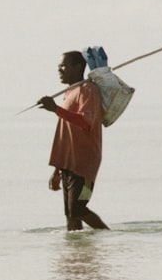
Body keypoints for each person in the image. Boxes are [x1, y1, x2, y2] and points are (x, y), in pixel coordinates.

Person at [38, 51, 110, 231]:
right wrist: (57, 170)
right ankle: (76, 256)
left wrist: (55, 108)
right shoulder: (69, 92)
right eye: (58, 67)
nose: (60, 70)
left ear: (78, 67)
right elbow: (66, 135)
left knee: (78, 209)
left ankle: (109, 238)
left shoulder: (87, 90)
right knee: (71, 215)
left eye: (64, 66)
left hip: (84, 164)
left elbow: (85, 122)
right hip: (69, 164)